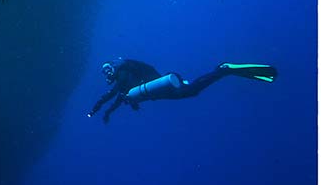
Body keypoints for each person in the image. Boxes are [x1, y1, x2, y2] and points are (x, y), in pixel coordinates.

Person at [87, 58, 277, 123]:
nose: (107, 73)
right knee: (192, 90)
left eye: (107, 69)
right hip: (163, 85)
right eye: (104, 71)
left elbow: (111, 97)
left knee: (192, 90)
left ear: (113, 68)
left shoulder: (122, 77)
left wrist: (97, 112)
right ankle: (222, 71)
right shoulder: (124, 79)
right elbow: (118, 98)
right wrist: (107, 112)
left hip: (162, 87)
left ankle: (223, 70)